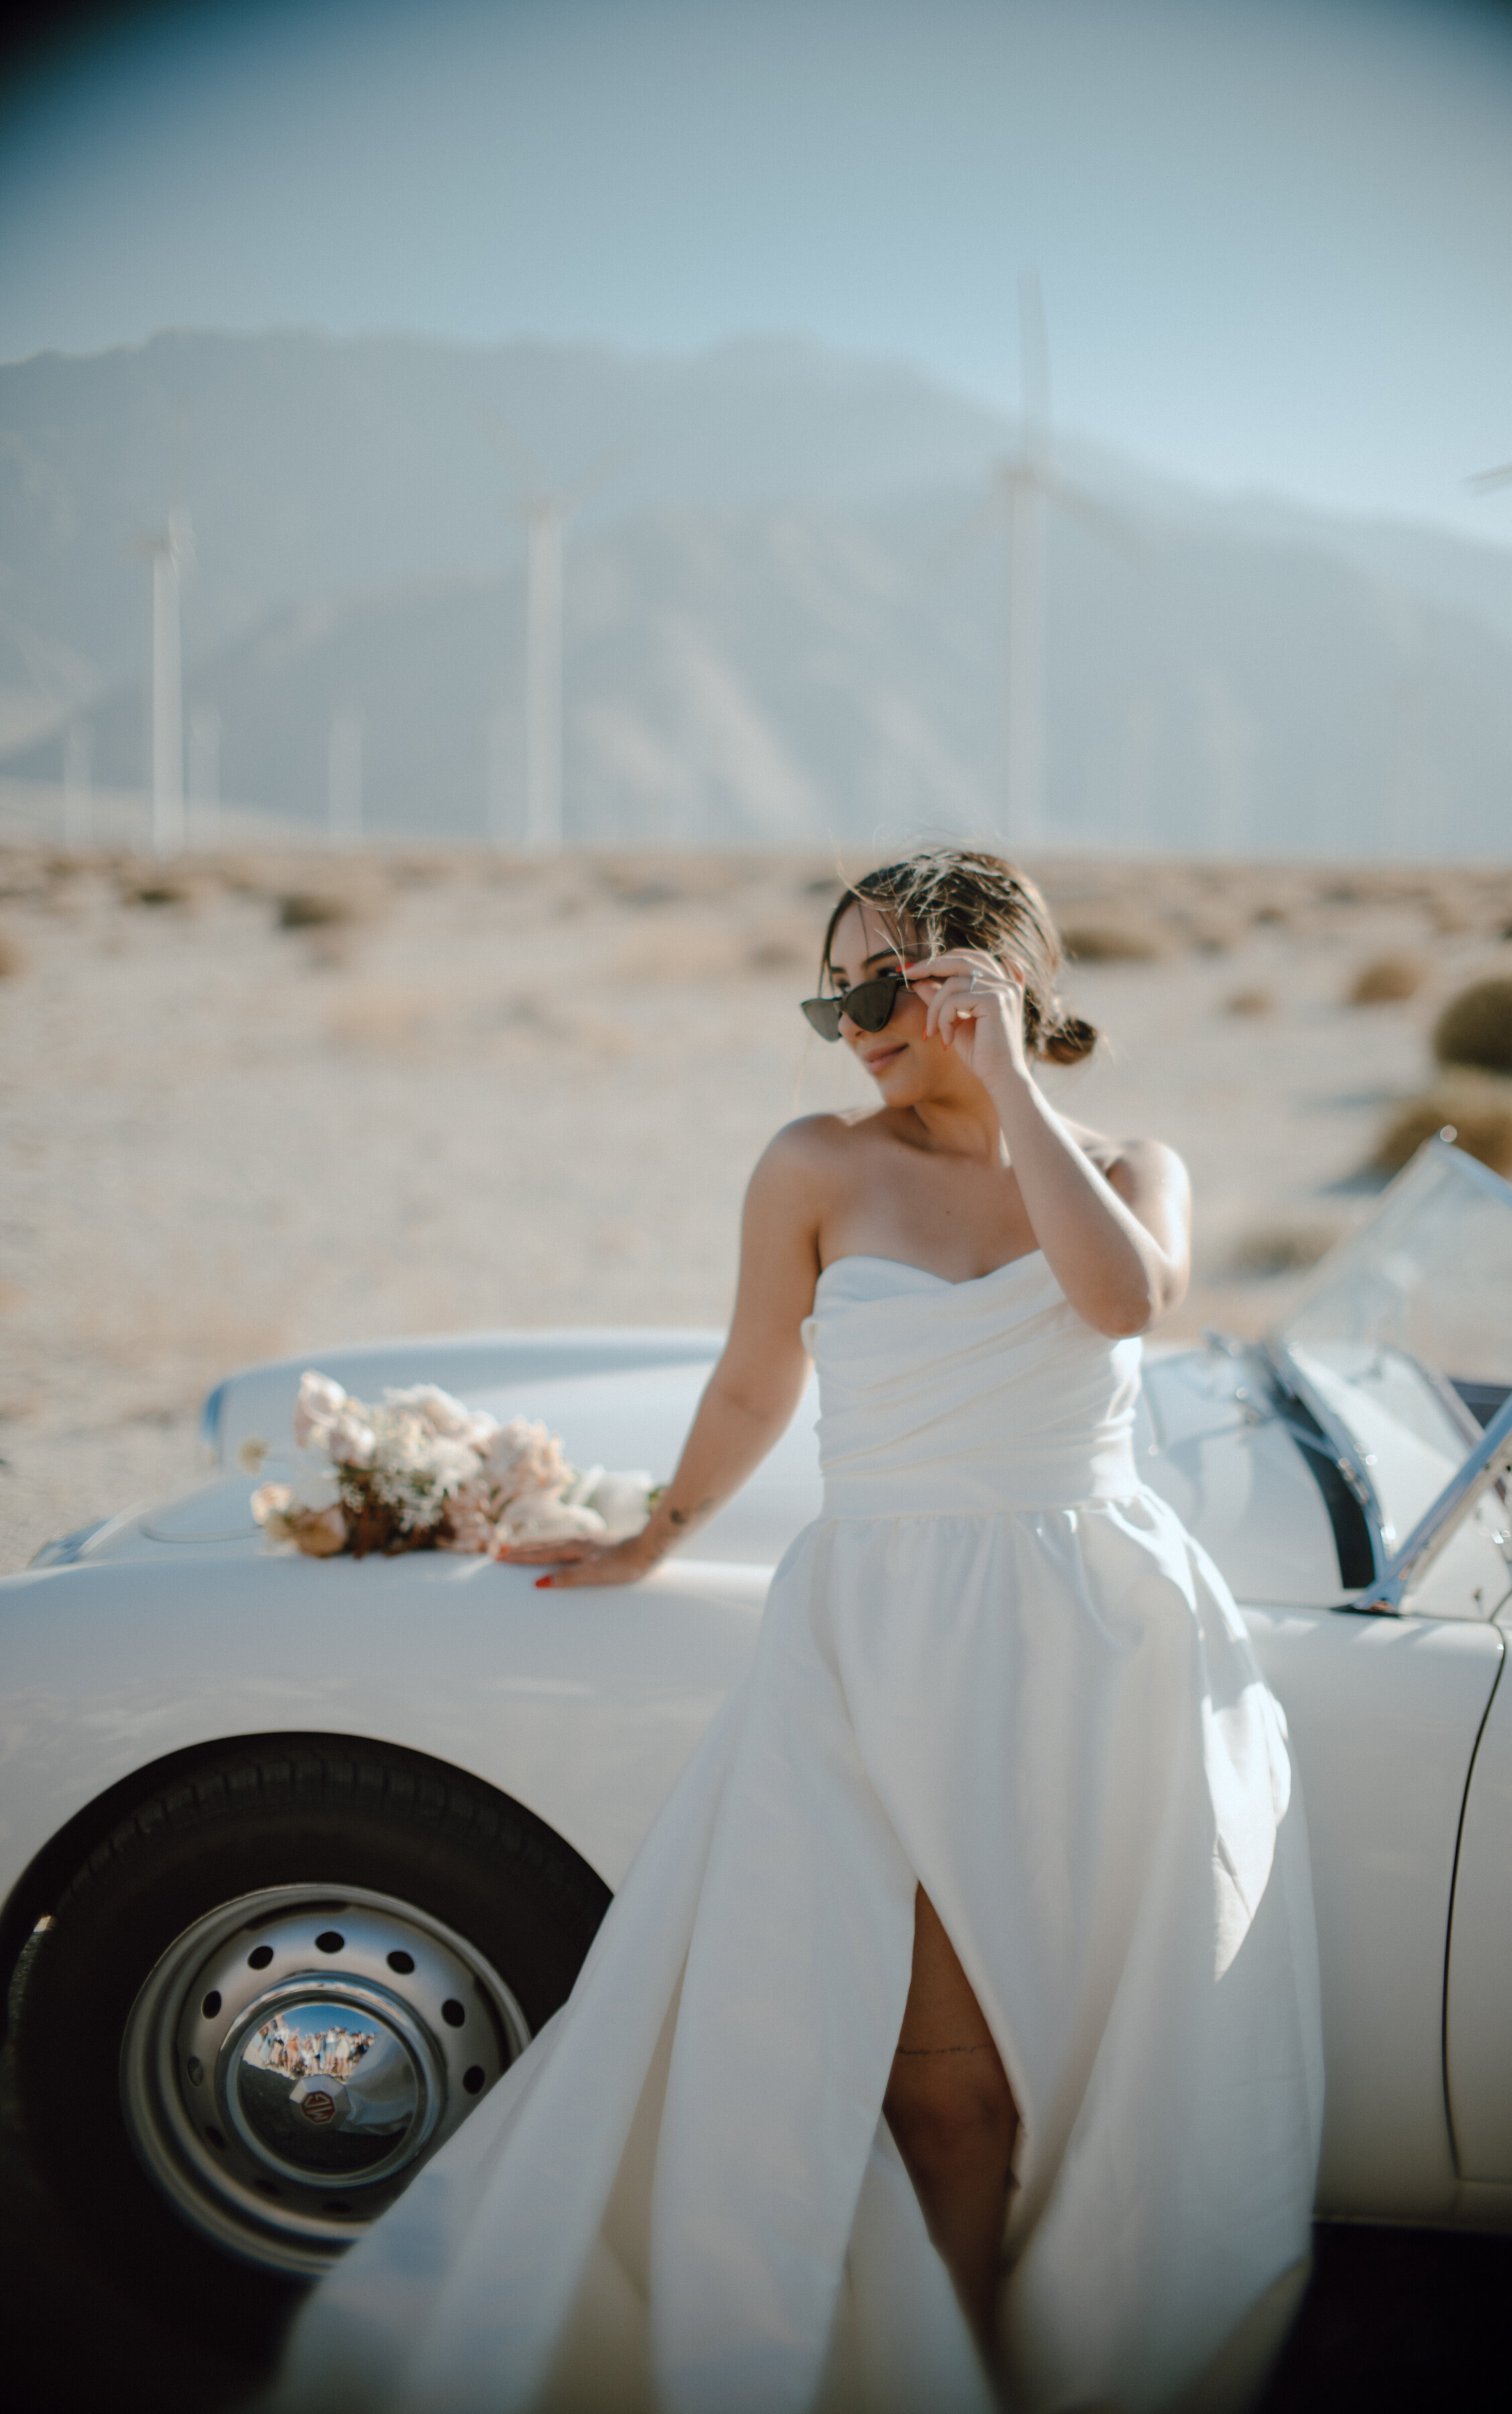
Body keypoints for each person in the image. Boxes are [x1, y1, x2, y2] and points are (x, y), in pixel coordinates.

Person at [276, 850, 1323, 2414]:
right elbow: (758, 1381)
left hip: (1105, 1658)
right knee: (944, 2097)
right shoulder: (814, 1164)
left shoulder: (1129, 1164)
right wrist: (654, 1530)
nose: (855, 1024)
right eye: (834, 991)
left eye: (885, 986)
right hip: (883, 1645)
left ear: (993, 982)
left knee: (1107, 2075)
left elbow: (1122, 1301)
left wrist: (1014, 1089)